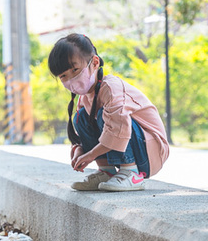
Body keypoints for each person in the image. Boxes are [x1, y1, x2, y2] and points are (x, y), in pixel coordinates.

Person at [48, 33, 169, 192]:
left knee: (108, 115)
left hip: (149, 151)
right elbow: (84, 130)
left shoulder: (111, 89)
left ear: (94, 63)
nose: (71, 78)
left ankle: (131, 173)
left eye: (75, 69)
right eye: (63, 76)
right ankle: (107, 171)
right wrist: (80, 149)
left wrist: (91, 155)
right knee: (81, 117)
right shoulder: (85, 97)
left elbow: (116, 128)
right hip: (131, 145)